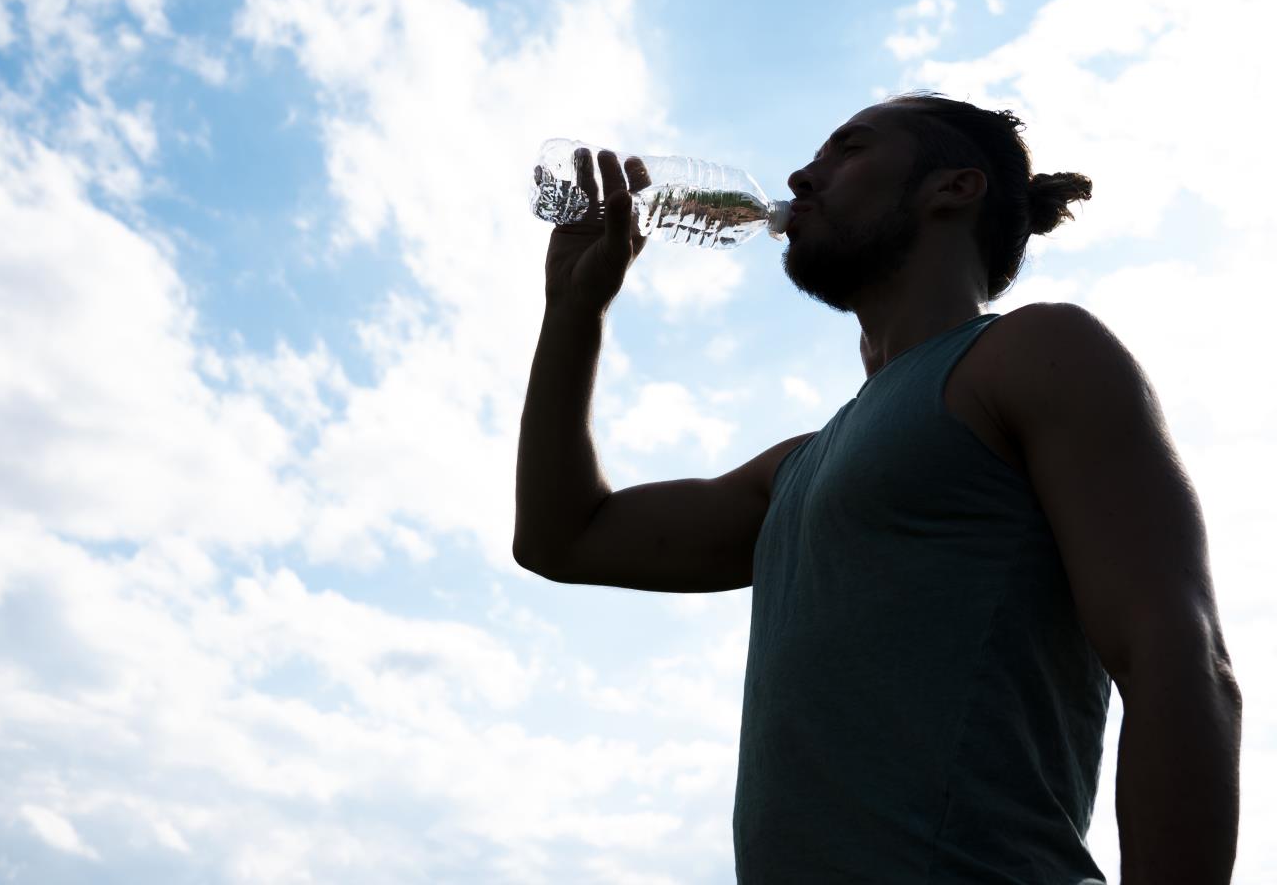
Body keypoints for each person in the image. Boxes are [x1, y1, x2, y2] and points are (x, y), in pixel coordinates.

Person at [514, 92, 1242, 882]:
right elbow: (562, 537)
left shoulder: (1033, 352)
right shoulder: (796, 468)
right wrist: (572, 310)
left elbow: (1178, 656)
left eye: (848, 150)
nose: (800, 175)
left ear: (952, 189)